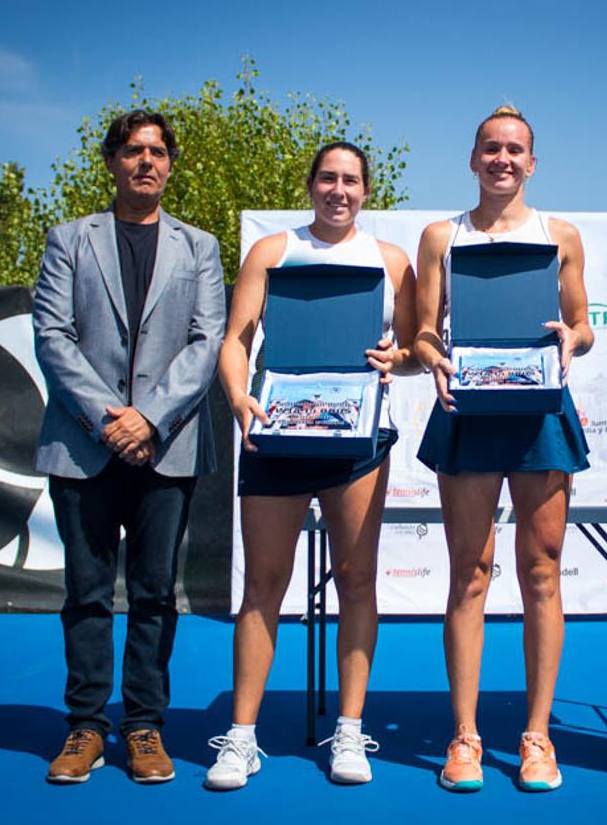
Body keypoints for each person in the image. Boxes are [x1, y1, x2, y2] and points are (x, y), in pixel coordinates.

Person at [203, 141, 417, 790]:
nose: (339, 190)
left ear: (366, 190)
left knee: (357, 583)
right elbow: (236, 341)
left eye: (351, 180)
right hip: (276, 437)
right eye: (328, 177)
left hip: (359, 442)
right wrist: (240, 400)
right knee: (263, 585)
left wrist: (397, 358)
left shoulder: (391, 261)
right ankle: (240, 738)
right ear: (310, 184)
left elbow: (414, 350)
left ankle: (349, 732)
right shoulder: (272, 252)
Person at [34, 109, 226, 784]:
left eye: (157, 152)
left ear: (170, 165)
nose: (146, 161)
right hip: (84, 448)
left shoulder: (199, 247)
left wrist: (148, 421)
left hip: (165, 448)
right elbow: (52, 337)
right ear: (112, 161)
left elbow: (207, 343)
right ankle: (84, 726)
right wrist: (108, 421)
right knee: (86, 593)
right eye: (133, 151)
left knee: (153, 594)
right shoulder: (68, 239)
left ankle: (143, 726)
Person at [412, 106, 593, 793]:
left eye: (515, 149)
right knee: (469, 573)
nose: (503, 159)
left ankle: (537, 737)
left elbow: (582, 325)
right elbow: (425, 330)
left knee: (542, 570)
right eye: (492, 148)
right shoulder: (440, 237)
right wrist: (434, 357)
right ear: (472, 158)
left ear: (533, 162)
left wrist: (573, 341)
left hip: (541, 410)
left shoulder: (561, 235)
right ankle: (465, 737)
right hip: (468, 407)